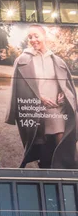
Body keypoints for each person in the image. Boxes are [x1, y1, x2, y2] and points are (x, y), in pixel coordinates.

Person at [5, 24, 78, 169]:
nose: (33, 39)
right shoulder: (22, 60)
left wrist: (62, 93)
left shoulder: (57, 61)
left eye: (36, 36)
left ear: (44, 36)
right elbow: (17, 89)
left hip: (58, 110)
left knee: (62, 142)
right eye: (30, 37)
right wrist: (39, 98)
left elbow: (66, 85)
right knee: (43, 147)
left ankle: (67, 173)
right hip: (36, 109)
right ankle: (48, 173)